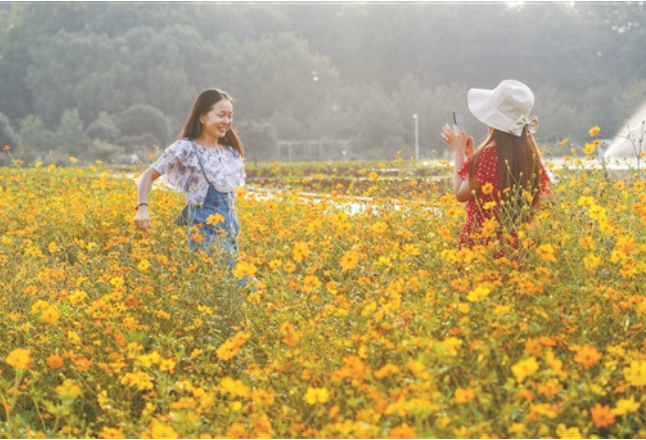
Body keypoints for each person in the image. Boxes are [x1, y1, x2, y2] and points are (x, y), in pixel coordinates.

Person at [134, 88, 246, 265]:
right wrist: (142, 209)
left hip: (231, 231)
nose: (226, 121)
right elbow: (148, 176)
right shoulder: (186, 149)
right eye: (221, 115)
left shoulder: (230, 151)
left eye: (230, 116)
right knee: (244, 284)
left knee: (226, 289)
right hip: (205, 232)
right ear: (202, 117)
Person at [440, 79, 551, 254]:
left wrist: (458, 152)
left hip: (482, 242)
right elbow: (495, 179)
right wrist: (472, 157)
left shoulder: (488, 155)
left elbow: (461, 193)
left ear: (492, 117)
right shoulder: (529, 153)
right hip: (516, 245)